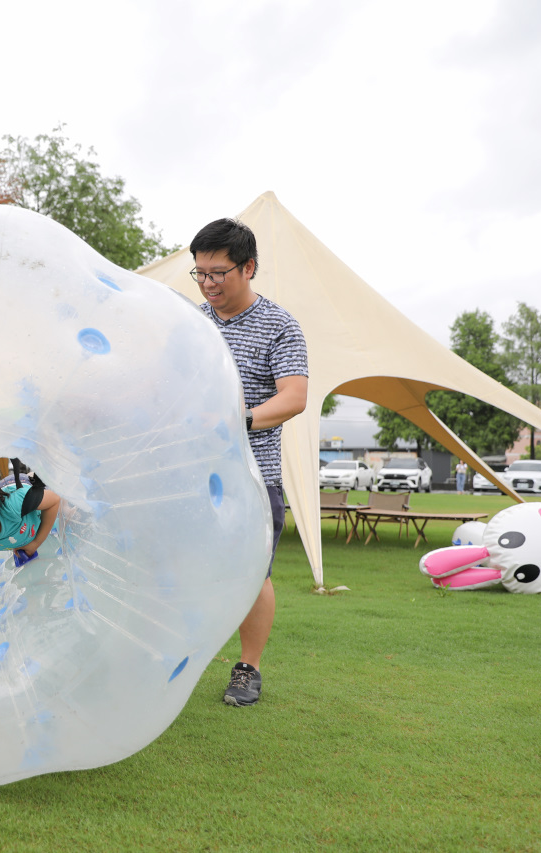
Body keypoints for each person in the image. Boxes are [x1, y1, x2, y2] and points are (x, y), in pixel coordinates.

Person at [190, 218, 308, 707]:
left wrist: (237, 421)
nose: (209, 283)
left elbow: (294, 397)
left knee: (252, 575)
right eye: (199, 273)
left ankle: (248, 669)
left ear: (249, 267)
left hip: (252, 480)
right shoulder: (191, 323)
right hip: (190, 477)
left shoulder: (280, 326)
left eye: (218, 272)